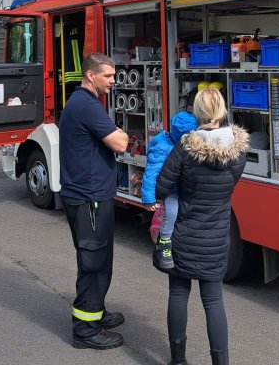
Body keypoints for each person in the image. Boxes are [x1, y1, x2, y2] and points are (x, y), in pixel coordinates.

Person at [155, 87, 250, 365]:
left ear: (196, 112)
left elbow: (162, 187)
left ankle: (178, 360)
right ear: (221, 112)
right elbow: (229, 184)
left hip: (184, 235)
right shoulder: (238, 152)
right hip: (217, 238)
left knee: (178, 294)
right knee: (213, 301)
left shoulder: (185, 148)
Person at [58, 52, 129, 350]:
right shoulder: (87, 106)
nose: (113, 81)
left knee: (101, 259)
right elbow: (120, 143)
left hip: (93, 197)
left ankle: (95, 311)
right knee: (93, 262)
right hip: (89, 200)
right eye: (108, 76)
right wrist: (120, 133)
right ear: (91, 75)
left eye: (113, 76)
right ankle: (85, 331)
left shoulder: (84, 102)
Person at [141, 111, 198, 270]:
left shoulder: (186, 143)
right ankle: (165, 242)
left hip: (185, 187)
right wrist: (149, 199)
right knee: (172, 211)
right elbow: (151, 174)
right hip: (171, 189)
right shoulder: (161, 147)